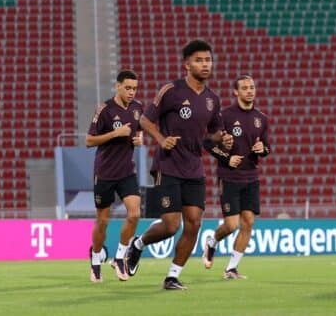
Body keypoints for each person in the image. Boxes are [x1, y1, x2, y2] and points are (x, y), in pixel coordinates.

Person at [125, 39, 232, 290]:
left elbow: (213, 133)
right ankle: (138, 244)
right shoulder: (171, 90)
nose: (205, 65)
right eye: (199, 60)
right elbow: (145, 120)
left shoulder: (212, 100)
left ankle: (172, 276)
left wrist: (222, 138)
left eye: (208, 60)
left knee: (194, 222)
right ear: (187, 64)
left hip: (194, 167)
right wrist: (162, 140)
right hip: (169, 165)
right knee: (171, 225)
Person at [202, 74, 270, 279]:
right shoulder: (225, 116)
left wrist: (262, 149)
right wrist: (226, 158)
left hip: (251, 176)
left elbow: (267, 147)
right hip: (229, 175)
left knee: (248, 222)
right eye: (245, 88)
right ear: (236, 92)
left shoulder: (262, 119)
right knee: (231, 225)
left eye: (252, 87)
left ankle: (231, 268)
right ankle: (212, 242)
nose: (250, 91)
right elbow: (207, 143)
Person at [85, 70, 144, 283]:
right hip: (105, 173)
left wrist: (139, 139)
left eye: (134, 89)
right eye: (127, 88)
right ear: (117, 86)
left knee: (135, 213)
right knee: (102, 221)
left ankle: (120, 257)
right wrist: (114, 134)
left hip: (127, 171)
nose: (131, 92)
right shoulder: (105, 110)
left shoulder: (138, 108)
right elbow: (89, 140)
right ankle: (95, 258)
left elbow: (138, 131)